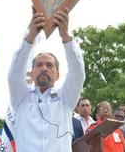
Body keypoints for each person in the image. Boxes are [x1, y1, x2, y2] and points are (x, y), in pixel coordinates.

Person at [8, 8, 85, 151]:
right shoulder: (21, 97)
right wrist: (30, 36)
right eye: (39, 65)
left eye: (49, 65)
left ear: (58, 75)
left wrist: (66, 37)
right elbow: (14, 72)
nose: (44, 68)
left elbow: (78, 73)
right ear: (31, 74)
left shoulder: (66, 98)